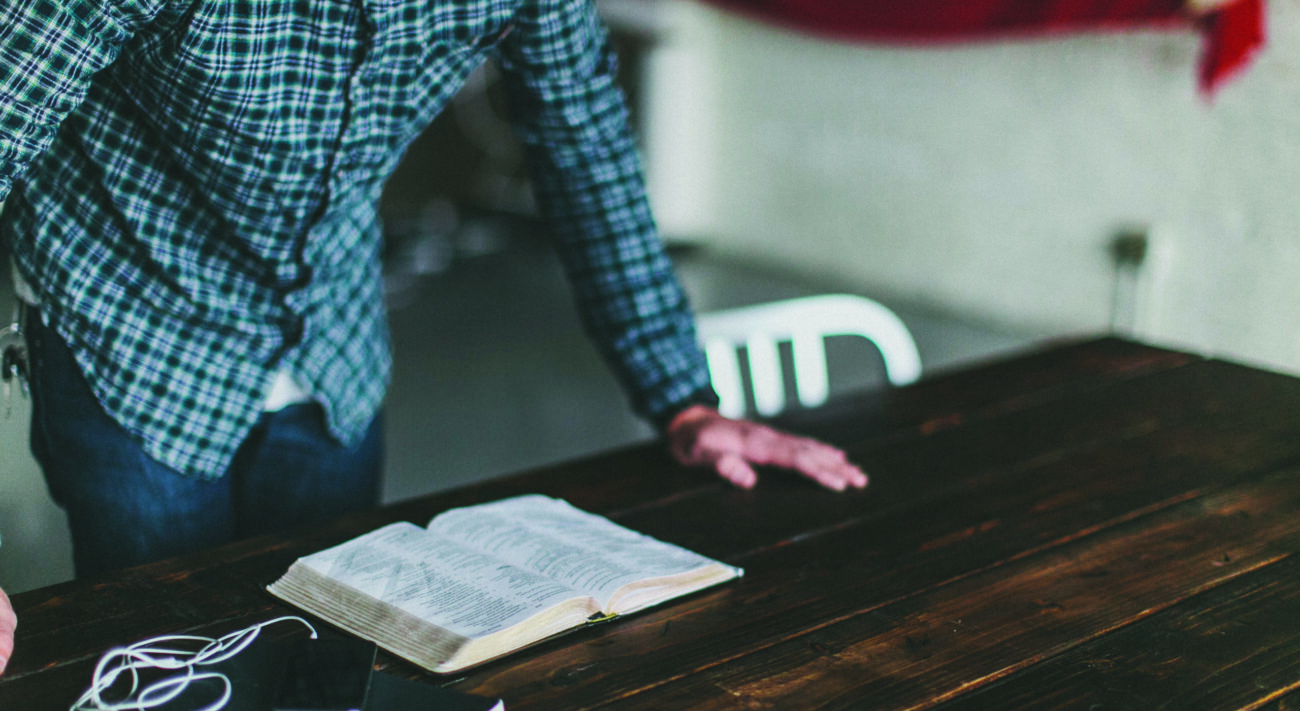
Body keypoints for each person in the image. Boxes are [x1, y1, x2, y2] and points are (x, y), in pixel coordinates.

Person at [0, 1, 864, 589]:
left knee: (325, 644)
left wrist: (682, 398)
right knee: (156, 670)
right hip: (127, 318)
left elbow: (582, 135)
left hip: (330, 339)